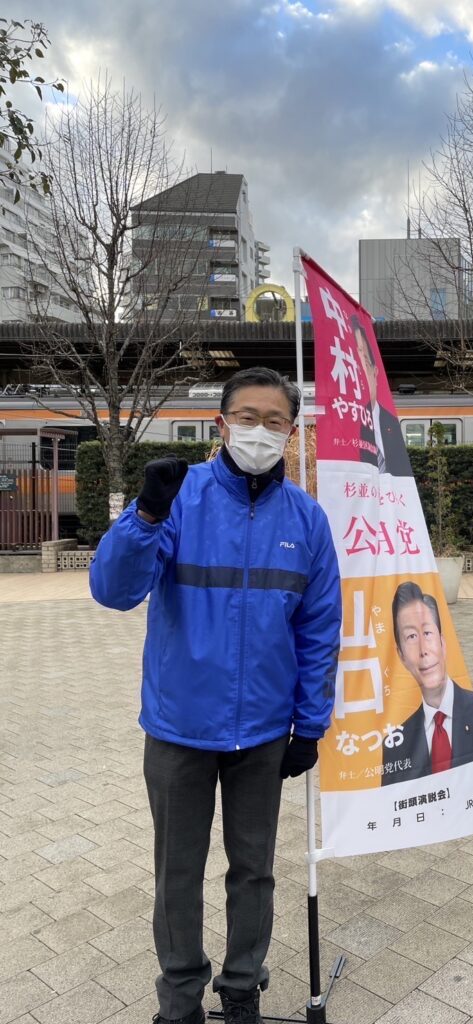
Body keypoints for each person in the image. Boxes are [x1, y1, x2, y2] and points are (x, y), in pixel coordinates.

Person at [90, 367, 341, 1024]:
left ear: (292, 431)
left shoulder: (307, 519)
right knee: (178, 871)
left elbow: (319, 629)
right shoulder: (180, 499)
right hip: (179, 726)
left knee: (254, 869)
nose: (260, 431)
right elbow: (112, 591)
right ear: (221, 424)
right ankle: (179, 1000)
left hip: (264, 732)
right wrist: (145, 515)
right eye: (247, 417)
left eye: (275, 420)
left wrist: (311, 724)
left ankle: (241, 986)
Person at [383, 580, 473, 784]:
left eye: (427, 633)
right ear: (401, 655)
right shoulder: (394, 745)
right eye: (411, 636)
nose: (423, 650)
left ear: (442, 642)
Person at [350, 314, 412, 476]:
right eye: (354, 364)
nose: (360, 372)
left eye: (364, 362)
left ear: (375, 372)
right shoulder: (345, 424)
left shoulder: (391, 422)